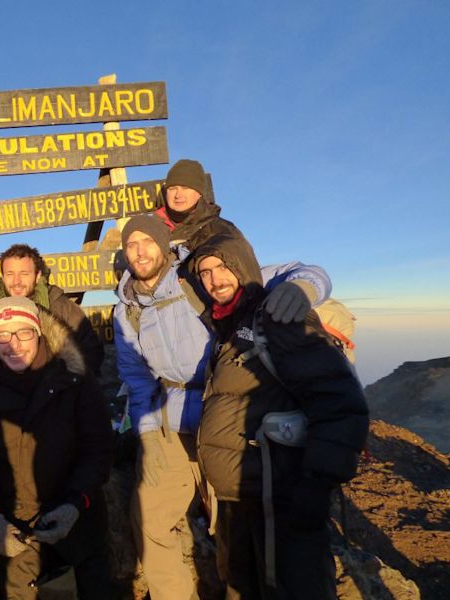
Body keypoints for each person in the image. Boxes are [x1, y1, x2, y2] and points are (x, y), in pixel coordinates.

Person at [113, 215, 332, 600]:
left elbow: (302, 270)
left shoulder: (200, 274)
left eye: (148, 241)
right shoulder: (126, 308)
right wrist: (148, 434)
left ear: (164, 244)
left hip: (226, 417)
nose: (140, 251)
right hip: (170, 421)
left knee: (232, 527)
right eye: (131, 244)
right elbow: (136, 375)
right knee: (150, 519)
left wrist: (303, 289)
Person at [187, 234, 369, 599]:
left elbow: (340, 402)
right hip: (243, 500)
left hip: (281, 501)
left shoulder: (275, 319)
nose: (214, 279)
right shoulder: (228, 326)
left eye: (222, 266)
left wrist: (314, 489)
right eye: (204, 272)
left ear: (241, 265)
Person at [0, 297, 116, 599]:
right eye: (3, 335)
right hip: (16, 528)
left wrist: (75, 503)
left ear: (38, 333)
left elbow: (98, 448)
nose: (13, 343)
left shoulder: (74, 378)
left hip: (78, 521)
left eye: (23, 332)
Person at [0, 243, 104, 374]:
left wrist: (67, 384)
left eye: (24, 274)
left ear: (37, 276)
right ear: (3, 277)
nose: (17, 282)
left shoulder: (62, 308)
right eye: (10, 274)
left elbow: (91, 351)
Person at [153, 158, 241, 247]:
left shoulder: (223, 230)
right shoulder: (150, 229)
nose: (178, 195)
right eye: (172, 188)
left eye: (185, 188)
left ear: (199, 193)